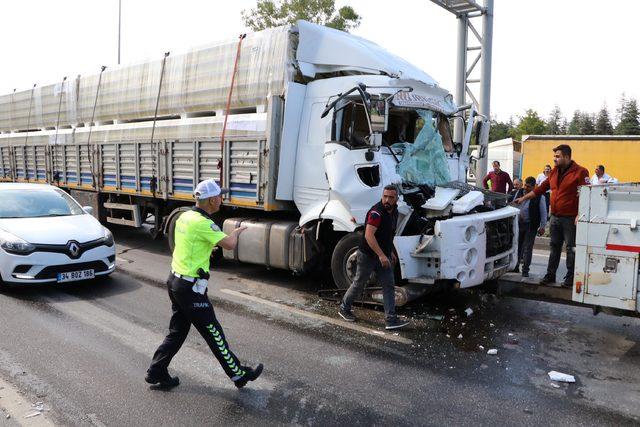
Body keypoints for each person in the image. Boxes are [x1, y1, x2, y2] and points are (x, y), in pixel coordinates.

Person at [146, 179, 263, 389]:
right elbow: (228, 244)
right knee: (214, 332)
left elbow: (192, 244)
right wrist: (235, 233)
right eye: (219, 196)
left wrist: (207, 248)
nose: (222, 199)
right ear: (210, 200)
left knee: (177, 332)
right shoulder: (203, 223)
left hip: (175, 281)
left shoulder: (185, 216)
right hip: (191, 290)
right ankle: (239, 375)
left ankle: (157, 371)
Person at [515, 145, 589, 287]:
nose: (554, 159)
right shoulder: (554, 172)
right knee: (554, 247)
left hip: (570, 218)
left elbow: (586, 195)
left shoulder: (580, 172)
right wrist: (523, 199)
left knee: (571, 248)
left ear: (567, 157)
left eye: (557, 156)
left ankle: (570, 278)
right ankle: (551, 275)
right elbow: (540, 189)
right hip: (555, 217)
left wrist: (581, 214)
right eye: (554, 156)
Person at [338, 185, 409, 330]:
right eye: (385, 196)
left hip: (383, 255)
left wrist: (390, 253)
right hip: (368, 256)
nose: (387, 200)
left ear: (396, 199)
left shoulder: (394, 212)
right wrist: (382, 255)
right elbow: (369, 236)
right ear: (382, 196)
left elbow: (388, 235)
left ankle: (391, 320)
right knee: (359, 284)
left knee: (388, 286)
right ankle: (344, 308)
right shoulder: (376, 213)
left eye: (391, 197)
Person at [512, 176, 547, 277]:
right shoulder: (519, 193)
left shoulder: (540, 197)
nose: (526, 188)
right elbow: (514, 205)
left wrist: (542, 226)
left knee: (527, 248)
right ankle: (515, 266)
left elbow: (544, 213)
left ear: (533, 187)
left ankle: (525, 270)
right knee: (517, 246)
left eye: (528, 187)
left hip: (530, 226)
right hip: (518, 224)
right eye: (525, 186)